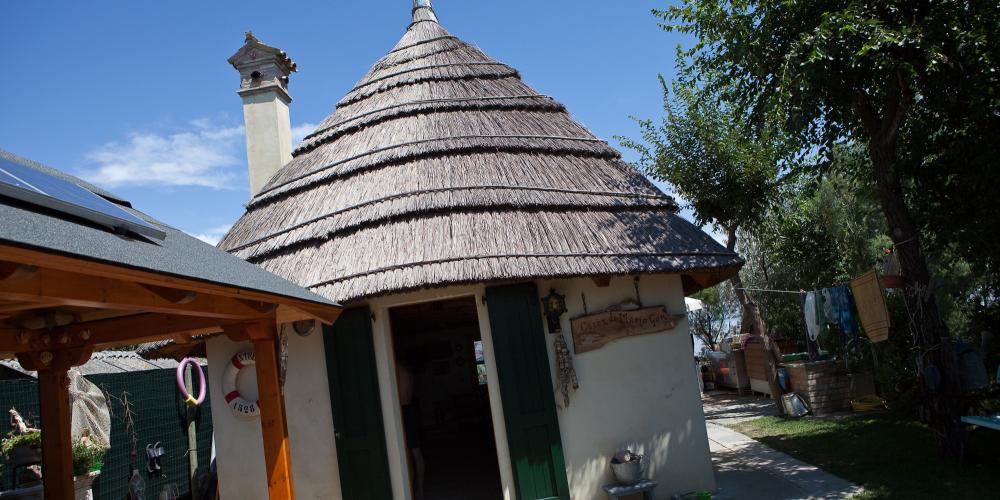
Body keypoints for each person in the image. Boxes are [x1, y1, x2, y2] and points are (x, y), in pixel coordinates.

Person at [397, 358, 425, 500]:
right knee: (416, 453)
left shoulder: (397, 369)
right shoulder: (408, 371)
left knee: (409, 454)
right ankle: (419, 489)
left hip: (404, 411)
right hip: (410, 409)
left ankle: (413, 490)